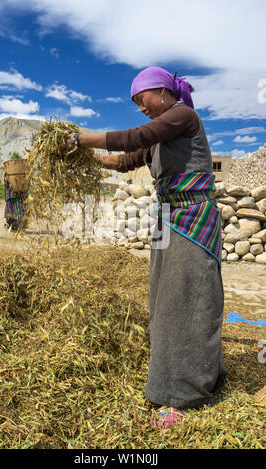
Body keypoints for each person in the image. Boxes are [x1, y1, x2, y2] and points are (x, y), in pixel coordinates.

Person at [66, 66, 227, 429]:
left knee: (187, 299)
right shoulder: (157, 138)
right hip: (166, 217)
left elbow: (133, 136)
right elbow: (122, 160)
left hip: (191, 216)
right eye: (136, 103)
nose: (140, 107)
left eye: (142, 99)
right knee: (162, 298)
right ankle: (198, 373)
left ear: (163, 92)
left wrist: (82, 138)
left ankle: (184, 395)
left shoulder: (183, 116)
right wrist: (79, 159)